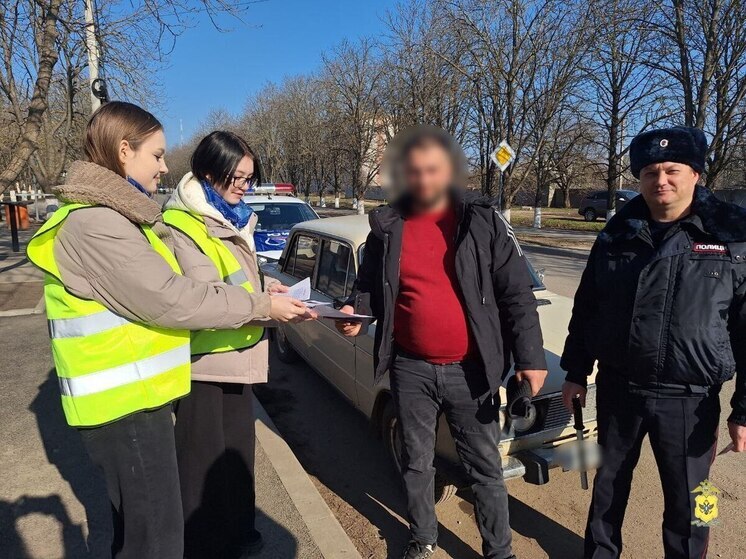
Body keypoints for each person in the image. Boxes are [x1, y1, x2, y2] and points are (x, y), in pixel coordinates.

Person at [26, 102, 311, 559]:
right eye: (157, 154)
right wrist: (263, 303)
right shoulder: (98, 224)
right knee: (156, 539)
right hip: (125, 404)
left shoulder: (116, 219)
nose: (164, 165)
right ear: (124, 151)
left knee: (146, 532)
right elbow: (173, 298)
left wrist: (262, 291)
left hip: (140, 394)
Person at [336, 125, 548, 559]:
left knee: (485, 468)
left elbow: (517, 295)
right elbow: (370, 286)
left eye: (432, 170)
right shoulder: (388, 225)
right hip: (411, 368)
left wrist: (530, 357)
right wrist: (355, 312)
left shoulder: (482, 221)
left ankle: (499, 551)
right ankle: (423, 537)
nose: (423, 180)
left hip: (471, 370)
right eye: (413, 171)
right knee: (417, 462)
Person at [561, 126, 746, 559]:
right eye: (649, 171)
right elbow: (588, 308)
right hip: (620, 390)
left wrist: (744, 410)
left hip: (692, 401)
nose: (660, 180)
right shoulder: (615, 236)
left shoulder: (731, 238)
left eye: (672, 169)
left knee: (696, 503)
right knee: (606, 492)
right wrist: (574, 371)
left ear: (696, 174)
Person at [162, 131, 309, 558]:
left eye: (249, 177)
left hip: (237, 357)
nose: (245, 186)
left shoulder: (230, 215)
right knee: (201, 466)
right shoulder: (183, 225)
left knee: (235, 458)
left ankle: (238, 533)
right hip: (205, 363)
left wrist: (268, 288)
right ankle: (205, 545)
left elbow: (235, 280)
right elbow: (201, 298)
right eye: (237, 177)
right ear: (209, 172)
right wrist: (265, 305)